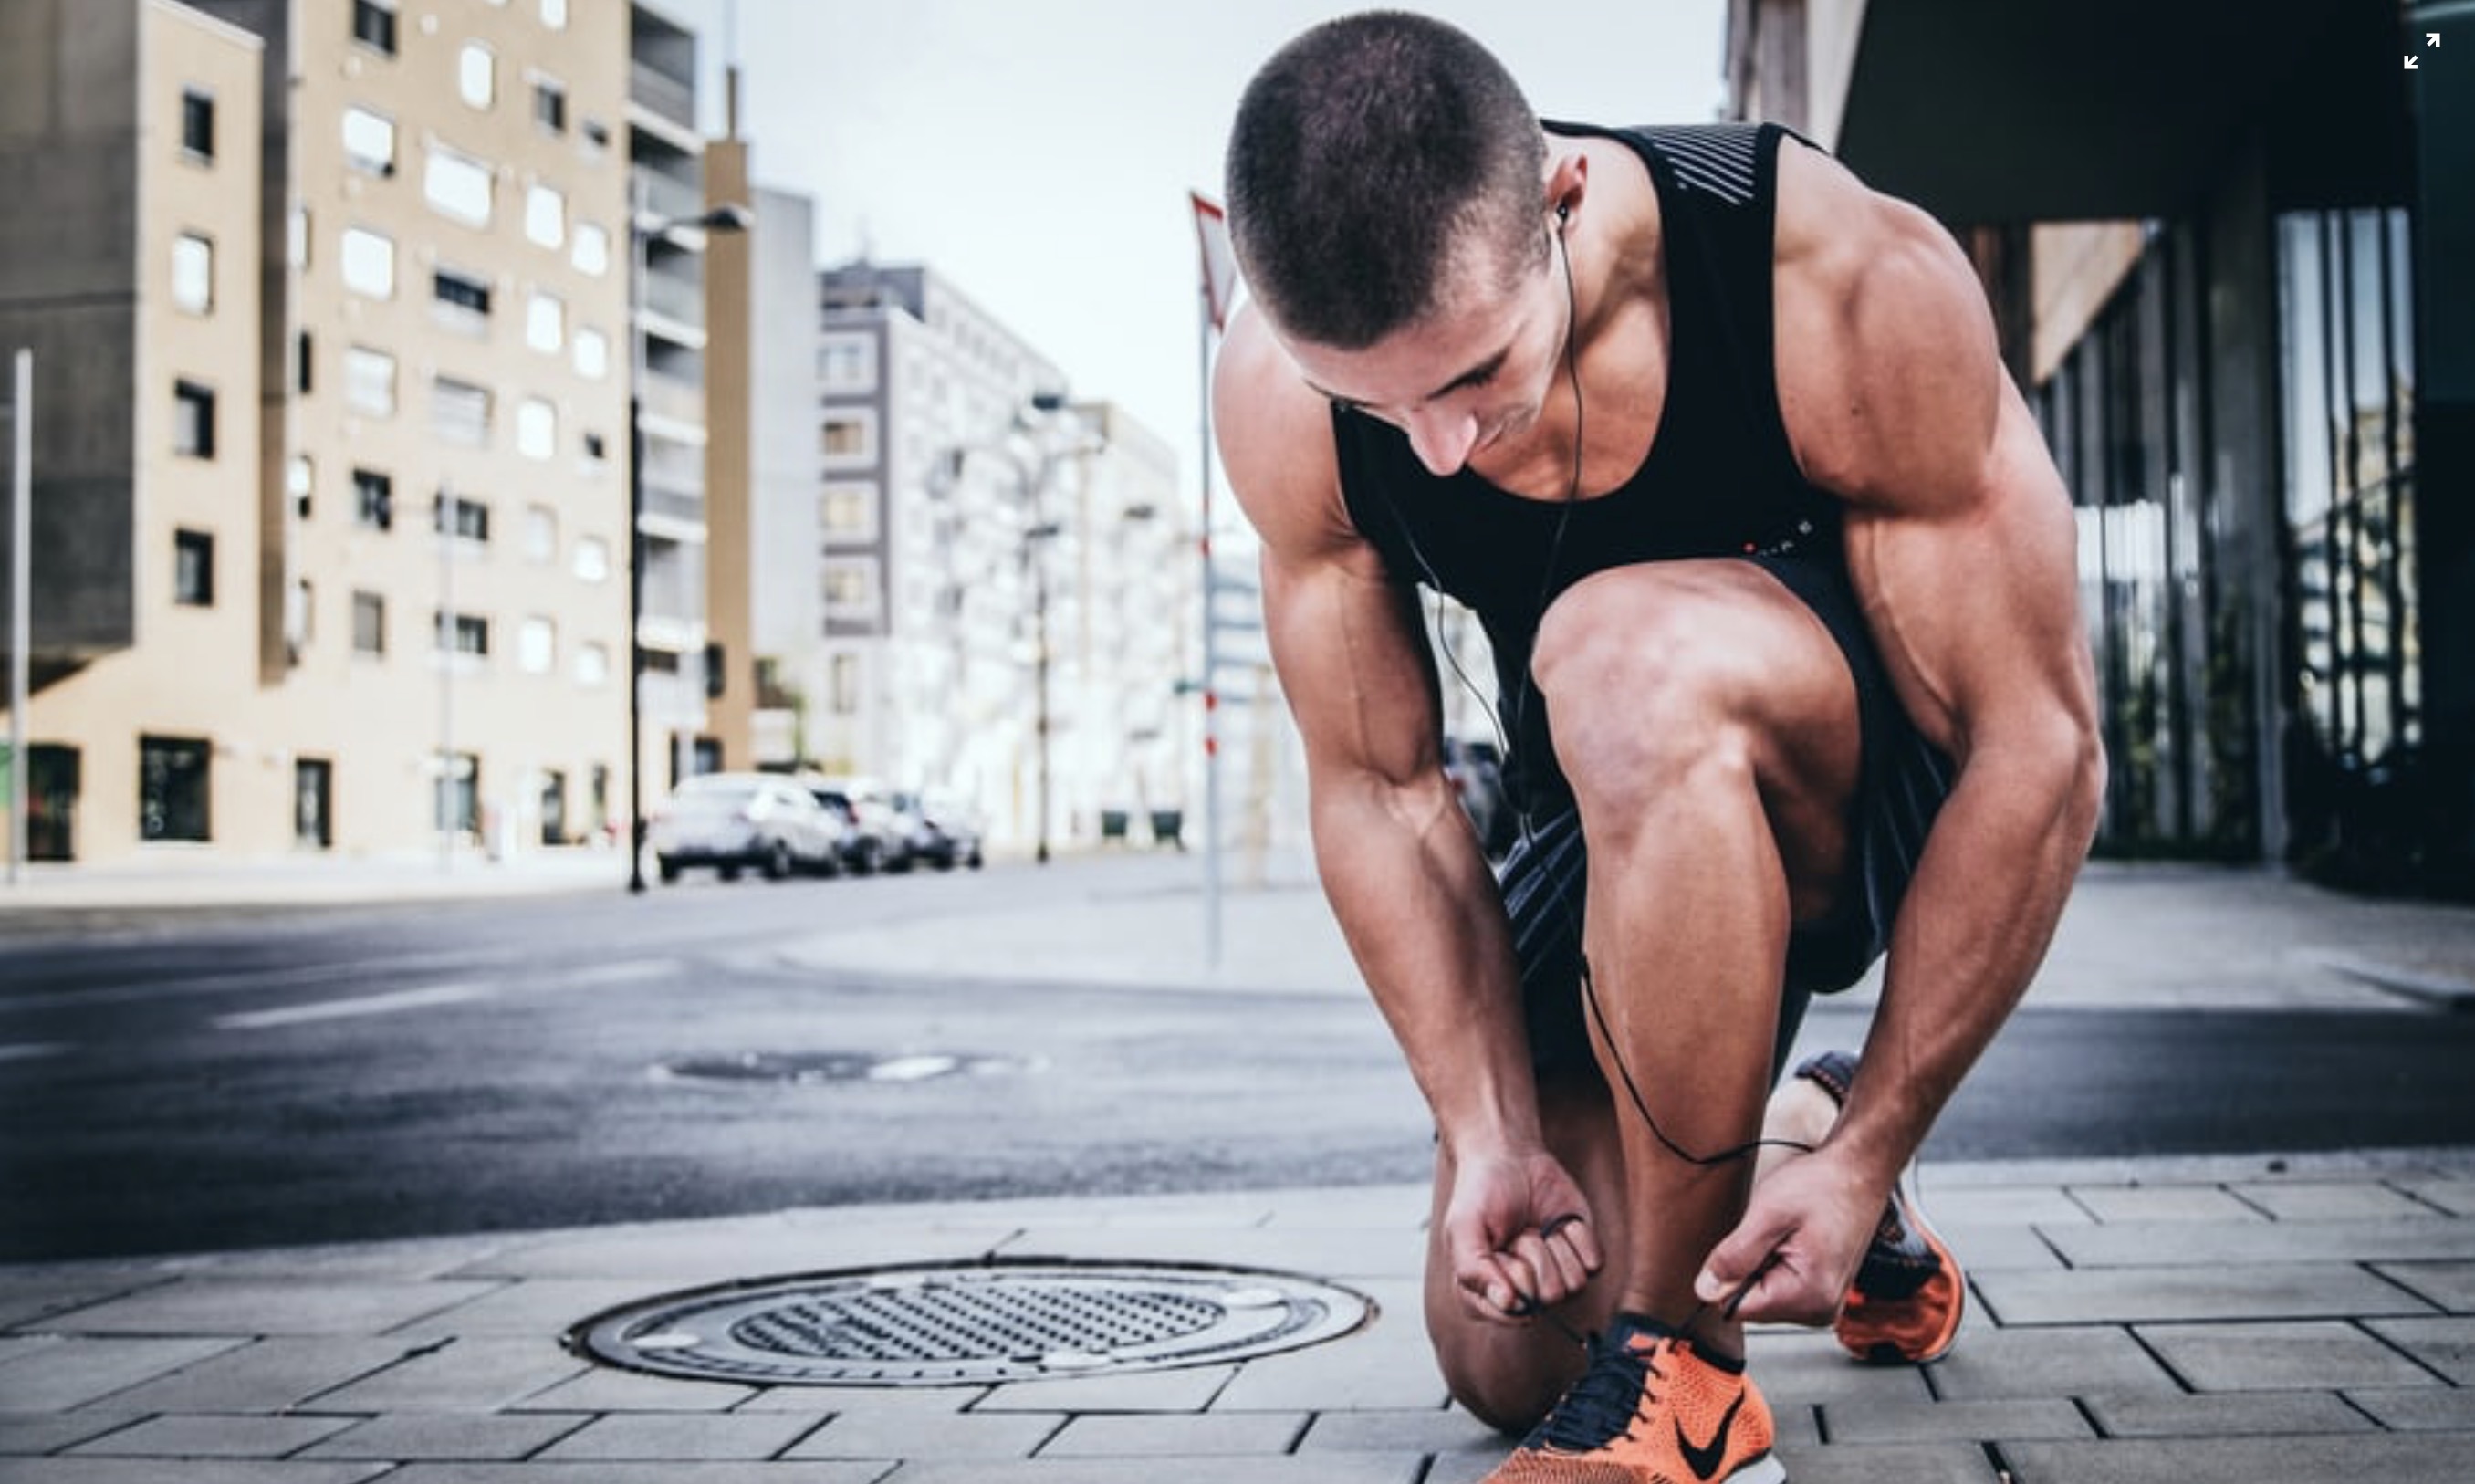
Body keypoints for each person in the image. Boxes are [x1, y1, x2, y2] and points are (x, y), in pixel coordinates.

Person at [1213, 12, 2104, 1482]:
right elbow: (1380, 790)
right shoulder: (1282, 399)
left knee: (1617, 650)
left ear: (1562, 202)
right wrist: (1487, 1129)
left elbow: (2041, 742)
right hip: (1616, 817)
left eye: (1473, 374)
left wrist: (1881, 1131)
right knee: (1507, 1348)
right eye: (1375, 403)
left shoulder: (1826, 275)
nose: (1435, 448)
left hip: (1859, 785)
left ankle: (1690, 1381)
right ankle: (1782, 1142)